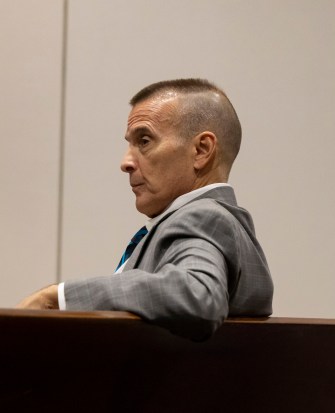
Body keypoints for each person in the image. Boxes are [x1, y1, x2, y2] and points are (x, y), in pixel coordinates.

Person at [17, 78, 274, 340]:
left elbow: (198, 295)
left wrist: (59, 297)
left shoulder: (203, 218)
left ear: (201, 150)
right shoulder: (221, 223)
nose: (125, 162)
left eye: (144, 141)